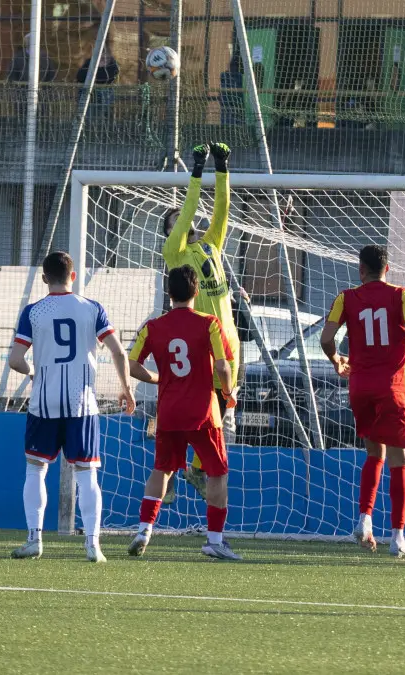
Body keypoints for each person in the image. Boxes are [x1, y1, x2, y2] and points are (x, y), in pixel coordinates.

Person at [6, 251, 135, 563]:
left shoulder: (33, 312)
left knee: (36, 469)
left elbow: (14, 360)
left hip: (44, 403)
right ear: (73, 276)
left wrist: (34, 372)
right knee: (86, 474)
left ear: (44, 278)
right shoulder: (92, 308)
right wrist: (127, 389)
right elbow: (118, 352)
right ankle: (93, 544)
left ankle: (34, 539)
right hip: (83, 403)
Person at [321, 245, 405, 558]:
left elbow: (326, 339)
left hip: (360, 388)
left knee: (373, 453)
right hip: (392, 389)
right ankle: (397, 537)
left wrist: (337, 361)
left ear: (361, 269)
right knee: (399, 461)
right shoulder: (401, 295)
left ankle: (364, 520)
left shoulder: (346, 297)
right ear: (388, 268)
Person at [127, 266, 239, 560]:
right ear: (197, 292)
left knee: (161, 470)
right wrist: (227, 393)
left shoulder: (154, 326)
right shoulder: (209, 323)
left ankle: (144, 531)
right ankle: (214, 540)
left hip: (169, 412)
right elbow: (223, 366)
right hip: (203, 412)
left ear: (169, 292)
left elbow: (132, 365)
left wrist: (157, 378)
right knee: (217, 473)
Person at [161, 142, 240, 501]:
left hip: (230, 342)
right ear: (170, 232)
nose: (186, 219)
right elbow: (192, 206)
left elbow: (222, 210)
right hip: (202, 344)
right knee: (195, 413)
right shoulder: (174, 253)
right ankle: (172, 469)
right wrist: (197, 170)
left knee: (220, 423)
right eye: (176, 219)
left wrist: (222, 168)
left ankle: (190, 468)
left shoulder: (211, 246)